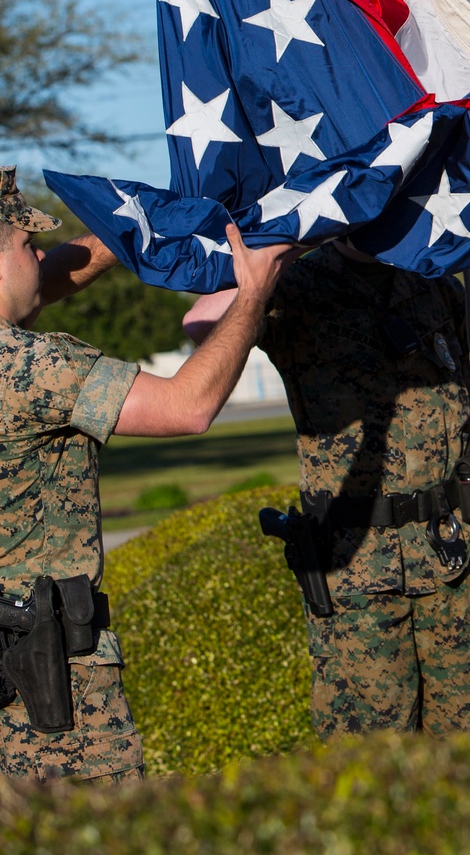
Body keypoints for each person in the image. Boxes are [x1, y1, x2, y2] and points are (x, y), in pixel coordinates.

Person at [0, 166, 292, 784]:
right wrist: (252, 294)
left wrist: (127, 228)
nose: (42, 254)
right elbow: (187, 407)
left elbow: (36, 287)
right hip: (52, 693)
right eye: (27, 244)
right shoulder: (32, 368)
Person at [184, 239, 470, 736]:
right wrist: (293, 237)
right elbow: (200, 324)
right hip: (355, 570)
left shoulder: (434, 282)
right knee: (371, 763)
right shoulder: (296, 286)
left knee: (464, 746)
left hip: (448, 559)